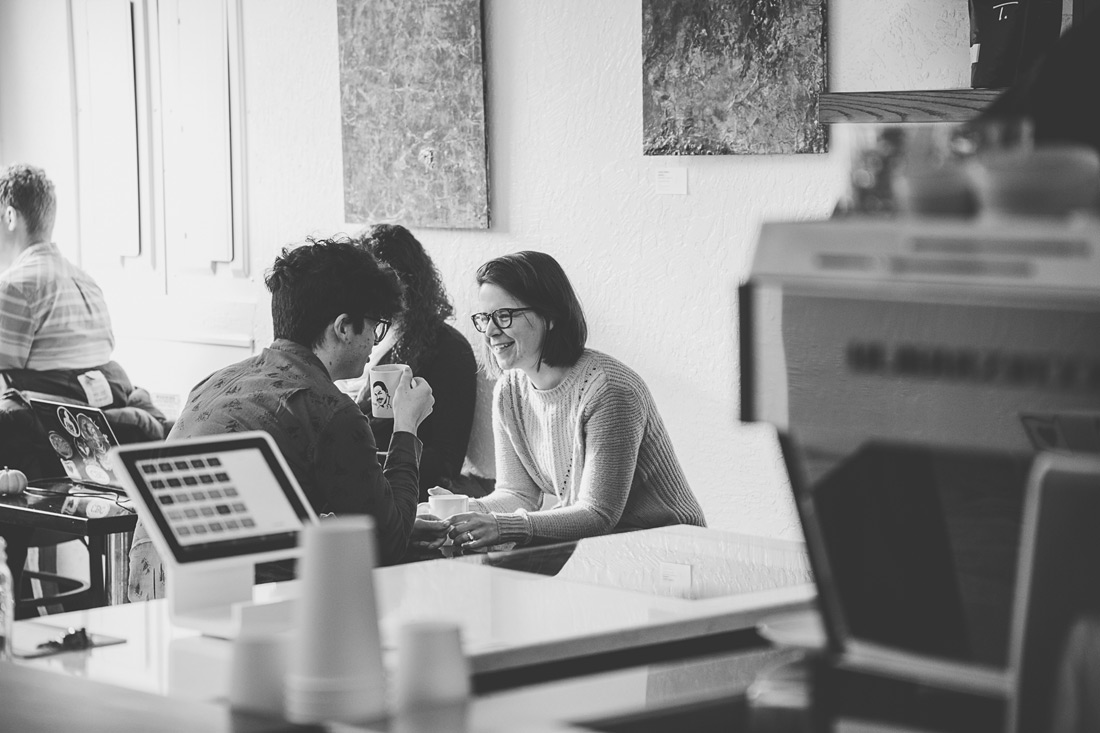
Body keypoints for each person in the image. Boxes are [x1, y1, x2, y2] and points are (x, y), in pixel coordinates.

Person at [127, 237, 438, 600]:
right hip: (259, 602)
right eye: (375, 327)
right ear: (342, 327)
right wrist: (406, 426)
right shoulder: (329, 409)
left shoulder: (216, 382)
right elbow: (389, 544)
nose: (374, 342)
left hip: (151, 591)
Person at [428, 250, 706, 551]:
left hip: (671, 550)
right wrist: (464, 512)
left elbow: (598, 514)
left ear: (550, 317)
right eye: (484, 318)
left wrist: (504, 527)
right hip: (605, 550)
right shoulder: (509, 389)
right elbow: (517, 494)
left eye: (504, 316)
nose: (491, 331)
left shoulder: (610, 390)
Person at [347, 224, 477, 500]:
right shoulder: (362, 332)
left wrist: (361, 463)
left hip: (399, 486)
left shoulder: (448, 350)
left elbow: (446, 461)